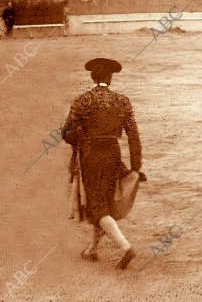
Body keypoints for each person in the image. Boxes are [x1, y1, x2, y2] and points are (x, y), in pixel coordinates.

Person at [62, 58, 144, 269]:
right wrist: (135, 166)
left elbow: (66, 133)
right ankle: (92, 249)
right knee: (102, 202)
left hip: (92, 156)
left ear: (92, 77)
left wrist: (80, 138)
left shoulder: (83, 101)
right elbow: (133, 136)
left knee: (97, 206)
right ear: (110, 78)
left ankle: (126, 248)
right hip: (113, 155)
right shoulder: (122, 101)